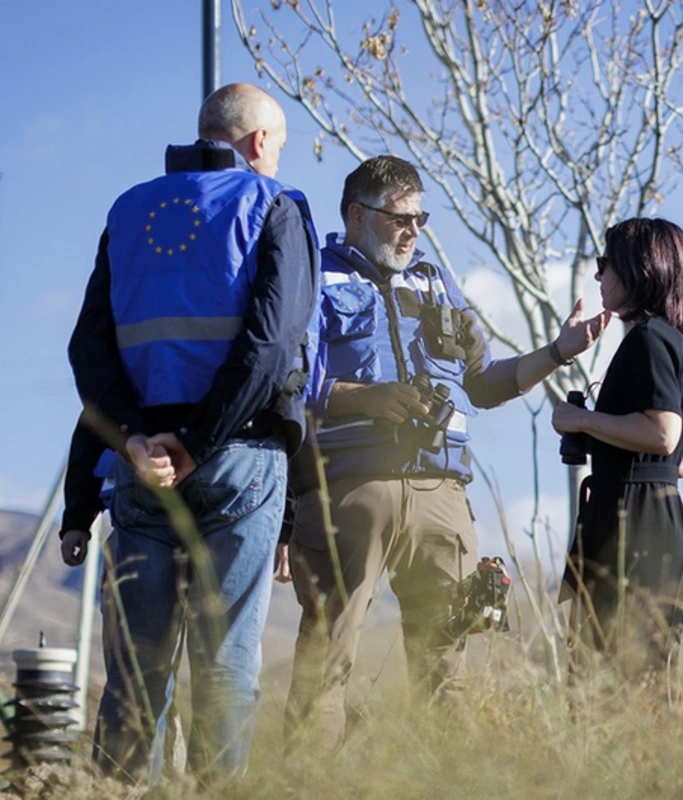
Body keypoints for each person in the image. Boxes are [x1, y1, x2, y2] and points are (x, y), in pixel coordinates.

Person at [285, 155, 609, 750]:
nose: (413, 231)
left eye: (420, 218)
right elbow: (289, 380)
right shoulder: (314, 275)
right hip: (347, 493)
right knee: (326, 662)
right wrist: (364, 397)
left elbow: (486, 382)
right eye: (399, 218)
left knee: (446, 673)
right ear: (357, 215)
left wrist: (559, 351)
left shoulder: (436, 281)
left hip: (443, 498)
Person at [66, 83, 319, 784]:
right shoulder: (276, 205)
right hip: (235, 461)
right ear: (261, 143)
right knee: (225, 667)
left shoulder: (125, 212)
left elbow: (88, 351)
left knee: (135, 675)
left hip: (140, 469)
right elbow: (272, 347)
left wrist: (137, 443)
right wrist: (198, 443)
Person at [551, 217, 683, 682]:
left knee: (609, 681)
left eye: (605, 263)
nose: (597, 276)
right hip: (659, 520)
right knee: (646, 679)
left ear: (639, 269)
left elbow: (664, 436)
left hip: (630, 525)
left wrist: (582, 420)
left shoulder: (648, 340)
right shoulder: (669, 341)